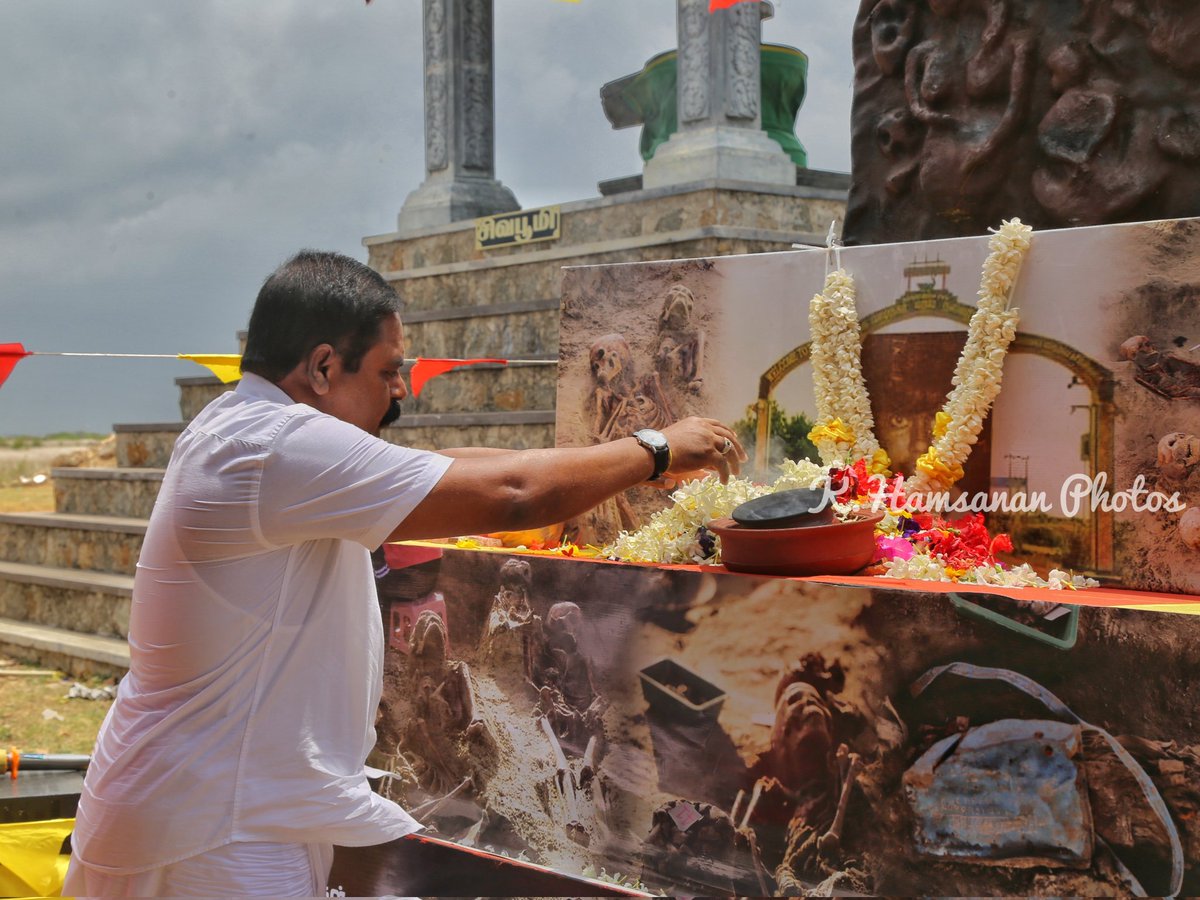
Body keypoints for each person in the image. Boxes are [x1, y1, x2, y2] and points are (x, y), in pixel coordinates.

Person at [64, 250, 746, 897]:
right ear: (324, 366)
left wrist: (606, 461)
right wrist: (654, 448)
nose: (400, 392)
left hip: (214, 810)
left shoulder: (250, 430)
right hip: (211, 834)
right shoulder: (272, 449)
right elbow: (512, 493)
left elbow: (449, 462)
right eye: (389, 370)